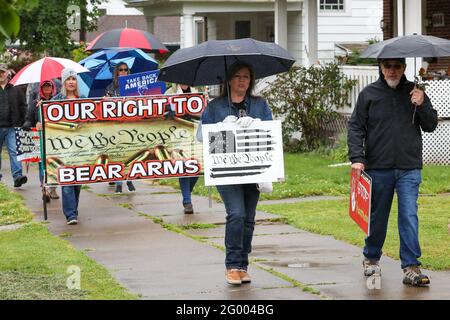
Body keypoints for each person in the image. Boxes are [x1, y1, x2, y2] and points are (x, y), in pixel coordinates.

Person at [347, 57, 438, 287]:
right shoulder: (369, 94)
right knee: (378, 217)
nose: (392, 71)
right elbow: (356, 126)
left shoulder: (414, 92)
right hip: (378, 167)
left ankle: (411, 267)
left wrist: (423, 103)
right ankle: (371, 258)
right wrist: (357, 158)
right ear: (381, 67)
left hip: (409, 167)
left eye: (397, 66)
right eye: (388, 66)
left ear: (404, 68)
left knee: (408, 215)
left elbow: (430, 125)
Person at [199, 61, 272, 285]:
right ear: (229, 80)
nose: (242, 81)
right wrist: (223, 125)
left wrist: (256, 123)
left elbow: (271, 133)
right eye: (238, 76)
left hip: (253, 170)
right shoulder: (215, 106)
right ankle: (232, 265)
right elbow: (201, 137)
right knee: (237, 214)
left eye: (246, 77)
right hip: (227, 171)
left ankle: (242, 264)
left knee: (249, 219)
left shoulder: (259, 105)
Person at [52, 68, 85, 225]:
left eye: (74, 79)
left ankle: (74, 210)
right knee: (67, 180)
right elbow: (46, 120)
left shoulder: (83, 98)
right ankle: (70, 214)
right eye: (68, 79)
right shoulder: (55, 100)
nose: (71, 82)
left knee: (77, 182)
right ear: (63, 82)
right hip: (62, 147)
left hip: (80, 147)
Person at [165, 83, 200, 214]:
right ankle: (187, 201)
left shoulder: (197, 91)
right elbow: (162, 112)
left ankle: (187, 193)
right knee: (183, 164)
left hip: (195, 132)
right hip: (177, 133)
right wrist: (169, 111)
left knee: (196, 165)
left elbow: (203, 112)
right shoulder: (169, 92)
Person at [23, 80, 59, 201]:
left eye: (49, 85)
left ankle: (53, 188)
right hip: (41, 137)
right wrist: (30, 125)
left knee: (54, 162)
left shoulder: (57, 101)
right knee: (42, 164)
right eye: (44, 86)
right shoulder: (34, 103)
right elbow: (28, 118)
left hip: (55, 137)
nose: (47, 88)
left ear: (53, 87)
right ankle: (45, 189)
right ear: (41, 88)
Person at [105, 62, 136, 194]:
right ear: (116, 72)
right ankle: (119, 182)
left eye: (126, 70)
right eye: (121, 70)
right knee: (118, 154)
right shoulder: (111, 88)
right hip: (116, 125)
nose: (123, 72)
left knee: (130, 153)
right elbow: (105, 106)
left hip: (131, 125)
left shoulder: (134, 86)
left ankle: (129, 179)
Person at [0, 63, 28, 188]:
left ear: (7, 73)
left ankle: (17, 177)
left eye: (3, 72)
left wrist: (25, 121)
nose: (1, 74)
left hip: (12, 126)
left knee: (14, 151)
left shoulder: (16, 88)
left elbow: (23, 106)